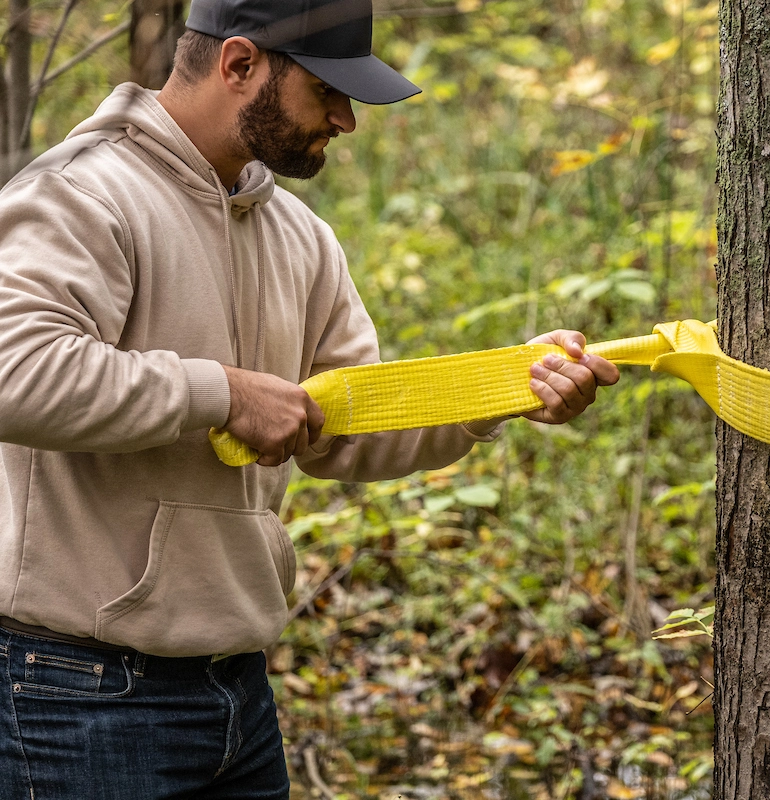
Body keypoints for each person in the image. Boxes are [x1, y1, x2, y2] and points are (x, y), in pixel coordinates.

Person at [0, 0, 619, 796]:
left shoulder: (298, 235)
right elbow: (13, 371)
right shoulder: (84, 196)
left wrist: (505, 389)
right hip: (72, 698)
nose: (346, 119)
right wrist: (218, 394)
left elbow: (348, 428)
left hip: (239, 695)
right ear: (239, 64)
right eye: (327, 88)